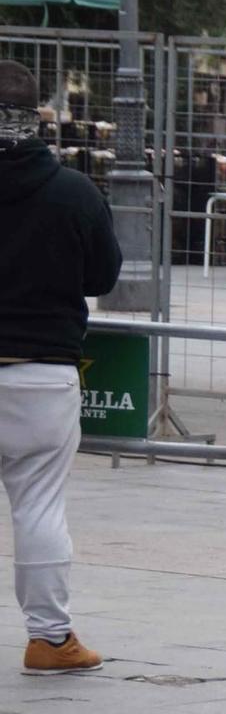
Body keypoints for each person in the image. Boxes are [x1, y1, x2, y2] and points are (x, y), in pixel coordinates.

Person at [0, 59, 122, 675]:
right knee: (39, 507)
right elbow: (101, 276)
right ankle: (49, 640)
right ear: (39, 121)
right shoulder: (75, 191)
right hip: (41, 370)